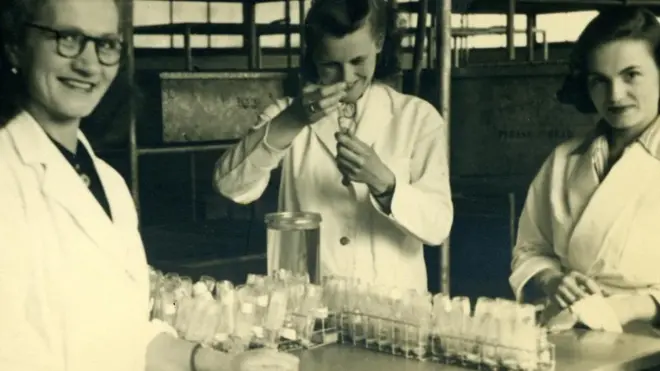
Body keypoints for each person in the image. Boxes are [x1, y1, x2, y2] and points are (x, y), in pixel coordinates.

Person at [0, 0, 294, 370]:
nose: (88, 64)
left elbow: (128, 336)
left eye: (106, 44)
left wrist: (227, 364)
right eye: (67, 38)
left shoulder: (108, 183)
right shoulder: (7, 176)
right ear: (15, 45)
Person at [214, 0, 453, 292]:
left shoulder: (416, 117)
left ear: (378, 42)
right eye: (330, 65)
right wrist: (293, 119)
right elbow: (230, 185)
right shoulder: (287, 114)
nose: (347, 78)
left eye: (357, 62)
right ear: (313, 56)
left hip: (391, 308)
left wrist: (384, 183)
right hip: (307, 302)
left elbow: (438, 226)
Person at [510, 7, 660, 331]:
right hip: (569, 331)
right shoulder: (565, 159)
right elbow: (530, 247)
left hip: (647, 340)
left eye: (631, 75)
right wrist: (553, 281)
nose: (615, 95)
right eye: (599, 81)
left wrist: (636, 306)